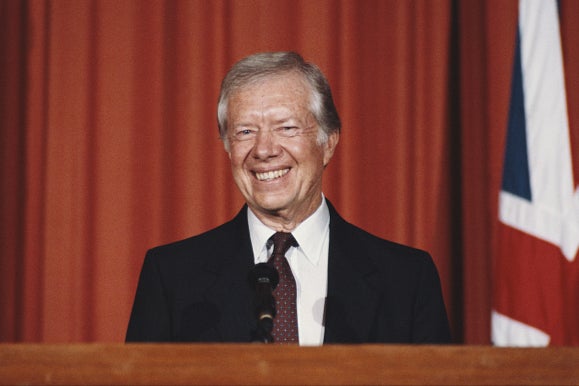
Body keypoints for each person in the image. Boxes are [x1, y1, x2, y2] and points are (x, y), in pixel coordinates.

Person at [126, 51, 451, 345]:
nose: (264, 150)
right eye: (245, 132)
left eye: (287, 128)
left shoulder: (406, 280)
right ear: (227, 146)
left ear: (328, 143)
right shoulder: (172, 277)